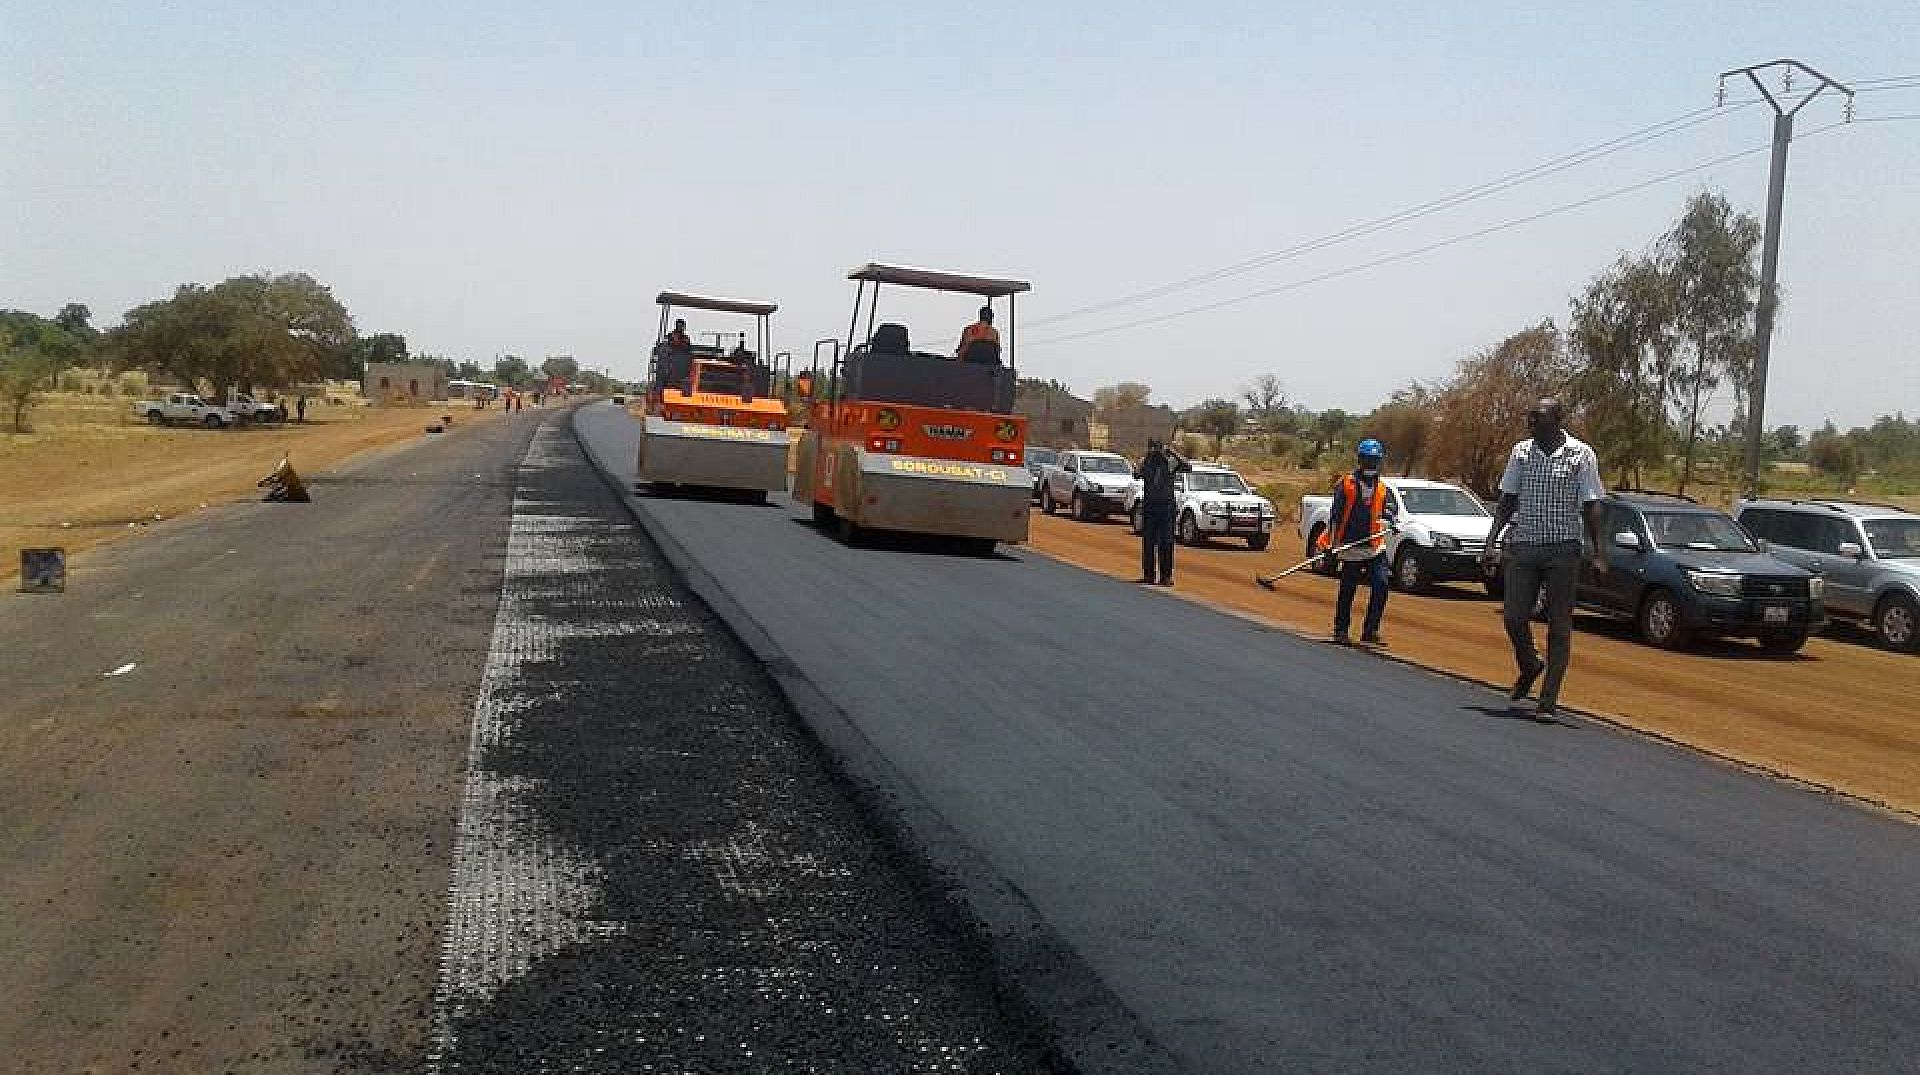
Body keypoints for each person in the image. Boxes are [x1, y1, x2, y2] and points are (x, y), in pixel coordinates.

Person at [1479, 398, 1608, 719]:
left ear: (1557, 420)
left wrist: (1598, 552)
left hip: (1564, 548)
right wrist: (1491, 541)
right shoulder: (1521, 453)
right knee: (1514, 616)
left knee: (1559, 626)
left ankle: (1547, 701)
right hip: (1524, 545)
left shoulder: (1581, 455)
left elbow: (1593, 503)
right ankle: (1530, 663)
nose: (1530, 424)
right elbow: (1508, 498)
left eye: (1537, 418)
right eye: (1530, 419)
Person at [1319, 438, 1397, 645]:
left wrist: (1391, 521)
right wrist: (1332, 546)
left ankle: (1370, 631)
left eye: (1375, 460)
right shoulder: (1345, 485)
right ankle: (1341, 630)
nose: (1371, 464)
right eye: (1367, 460)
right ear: (1360, 460)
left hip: (1374, 546)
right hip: (1350, 546)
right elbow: (1335, 516)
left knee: (1381, 585)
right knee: (1348, 589)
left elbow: (1388, 511)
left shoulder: (1382, 487)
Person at [1134, 439, 1190, 586]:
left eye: (1158, 448)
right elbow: (1136, 474)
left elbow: (1187, 467)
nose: (1156, 452)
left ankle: (1166, 577)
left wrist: (1173, 452)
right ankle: (1148, 575)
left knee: (1166, 542)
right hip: (1150, 505)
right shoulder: (1147, 462)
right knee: (1148, 542)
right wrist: (1144, 458)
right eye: (1153, 448)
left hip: (1166, 507)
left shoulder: (1170, 462)